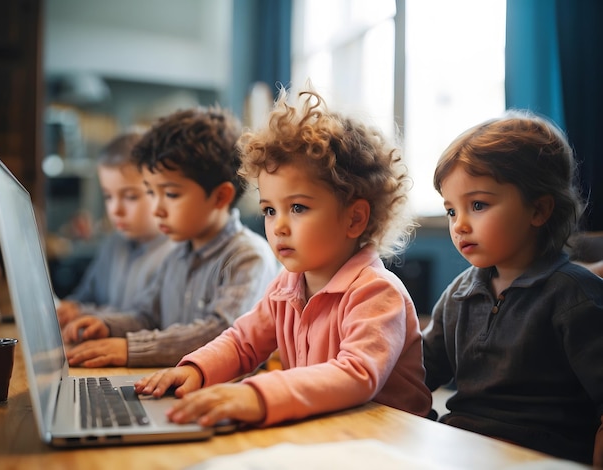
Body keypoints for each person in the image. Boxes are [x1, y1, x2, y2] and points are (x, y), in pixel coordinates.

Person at [134, 87, 432, 428]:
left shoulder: (377, 293)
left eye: (298, 208)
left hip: (388, 443)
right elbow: (243, 341)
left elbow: (355, 374)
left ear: (355, 219)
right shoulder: (286, 287)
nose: (279, 227)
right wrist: (195, 369)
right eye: (270, 210)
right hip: (324, 431)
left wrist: (257, 395)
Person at [421, 110, 603, 466]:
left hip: (537, 454)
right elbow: (420, 372)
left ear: (538, 210)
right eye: (450, 211)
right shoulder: (459, 293)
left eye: (477, 205)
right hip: (458, 444)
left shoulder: (574, 295)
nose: (459, 225)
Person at [61, 107, 279, 368]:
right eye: (152, 193)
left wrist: (132, 348)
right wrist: (107, 326)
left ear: (220, 197)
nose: (157, 209)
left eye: (171, 194)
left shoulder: (248, 256)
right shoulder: (178, 254)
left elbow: (221, 332)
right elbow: (146, 316)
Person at [56, 133, 175, 327]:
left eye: (130, 197)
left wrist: (84, 313)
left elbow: (142, 321)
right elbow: (85, 297)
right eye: (108, 196)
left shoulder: (176, 254)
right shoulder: (113, 244)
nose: (115, 210)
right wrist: (71, 307)